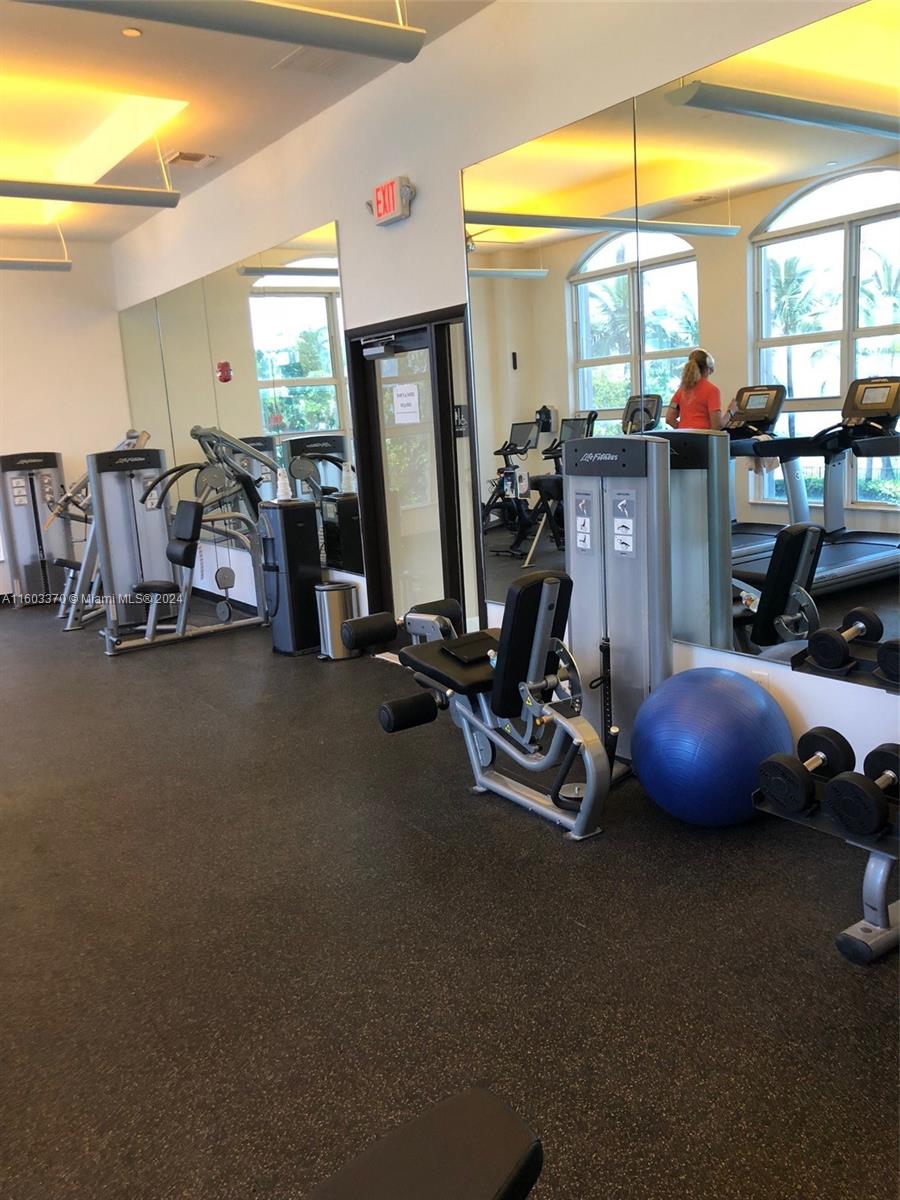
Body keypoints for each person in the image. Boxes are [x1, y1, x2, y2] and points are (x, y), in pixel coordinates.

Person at [665, 348, 727, 430]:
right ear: (708, 367)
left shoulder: (681, 390)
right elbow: (717, 425)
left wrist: (683, 428)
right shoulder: (712, 390)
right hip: (702, 436)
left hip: (683, 436)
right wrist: (730, 412)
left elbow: (669, 419)